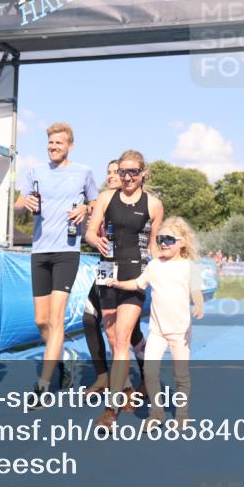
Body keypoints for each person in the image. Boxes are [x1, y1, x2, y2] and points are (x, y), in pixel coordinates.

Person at [14, 122, 97, 401]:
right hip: (40, 251)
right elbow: (17, 203)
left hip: (67, 251)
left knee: (56, 318)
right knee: (41, 320)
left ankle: (42, 386)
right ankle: (62, 362)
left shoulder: (83, 172)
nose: (53, 147)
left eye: (58, 143)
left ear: (69, 145)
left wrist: (86, 208)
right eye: (50, 143)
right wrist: (24, 204)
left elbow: (97, 204)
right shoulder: (35, 172)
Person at [85, 149, 163, 427]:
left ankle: (110, 410)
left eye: (132, 172)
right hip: (107, 270)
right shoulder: (106, 197)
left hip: (135, 271)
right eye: (122, 172)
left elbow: (154, 246)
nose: (127, 177)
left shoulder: (153, 204)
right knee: (112, 337)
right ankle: (128, 389)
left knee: (121, 337)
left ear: (143, 173)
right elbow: (90, 232)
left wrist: (163, 269)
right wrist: (96, 241)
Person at [106, 216, 204, 429]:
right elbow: (138, 284)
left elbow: (196, 291)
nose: (163, 243)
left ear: (182, 242)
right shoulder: (154, 266)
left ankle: (182, 414)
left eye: (169, 239)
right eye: (160, 238)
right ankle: (157, 413)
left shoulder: (189, 267)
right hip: (157, 331)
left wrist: (198, 305)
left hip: (180, 332)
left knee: (181, 375)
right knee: (150, 373)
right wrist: (119, 283)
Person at [83, 160, 146, 397]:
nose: (110, 176)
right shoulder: (102, 200)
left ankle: (144, 377)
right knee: (96, 322)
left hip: (131, 268)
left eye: (115, 172)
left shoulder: (136, 203)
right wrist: (89, 226)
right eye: (108, 172)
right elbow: (89, 234)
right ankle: (119, 382)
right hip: (106, 267)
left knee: (130, 334)